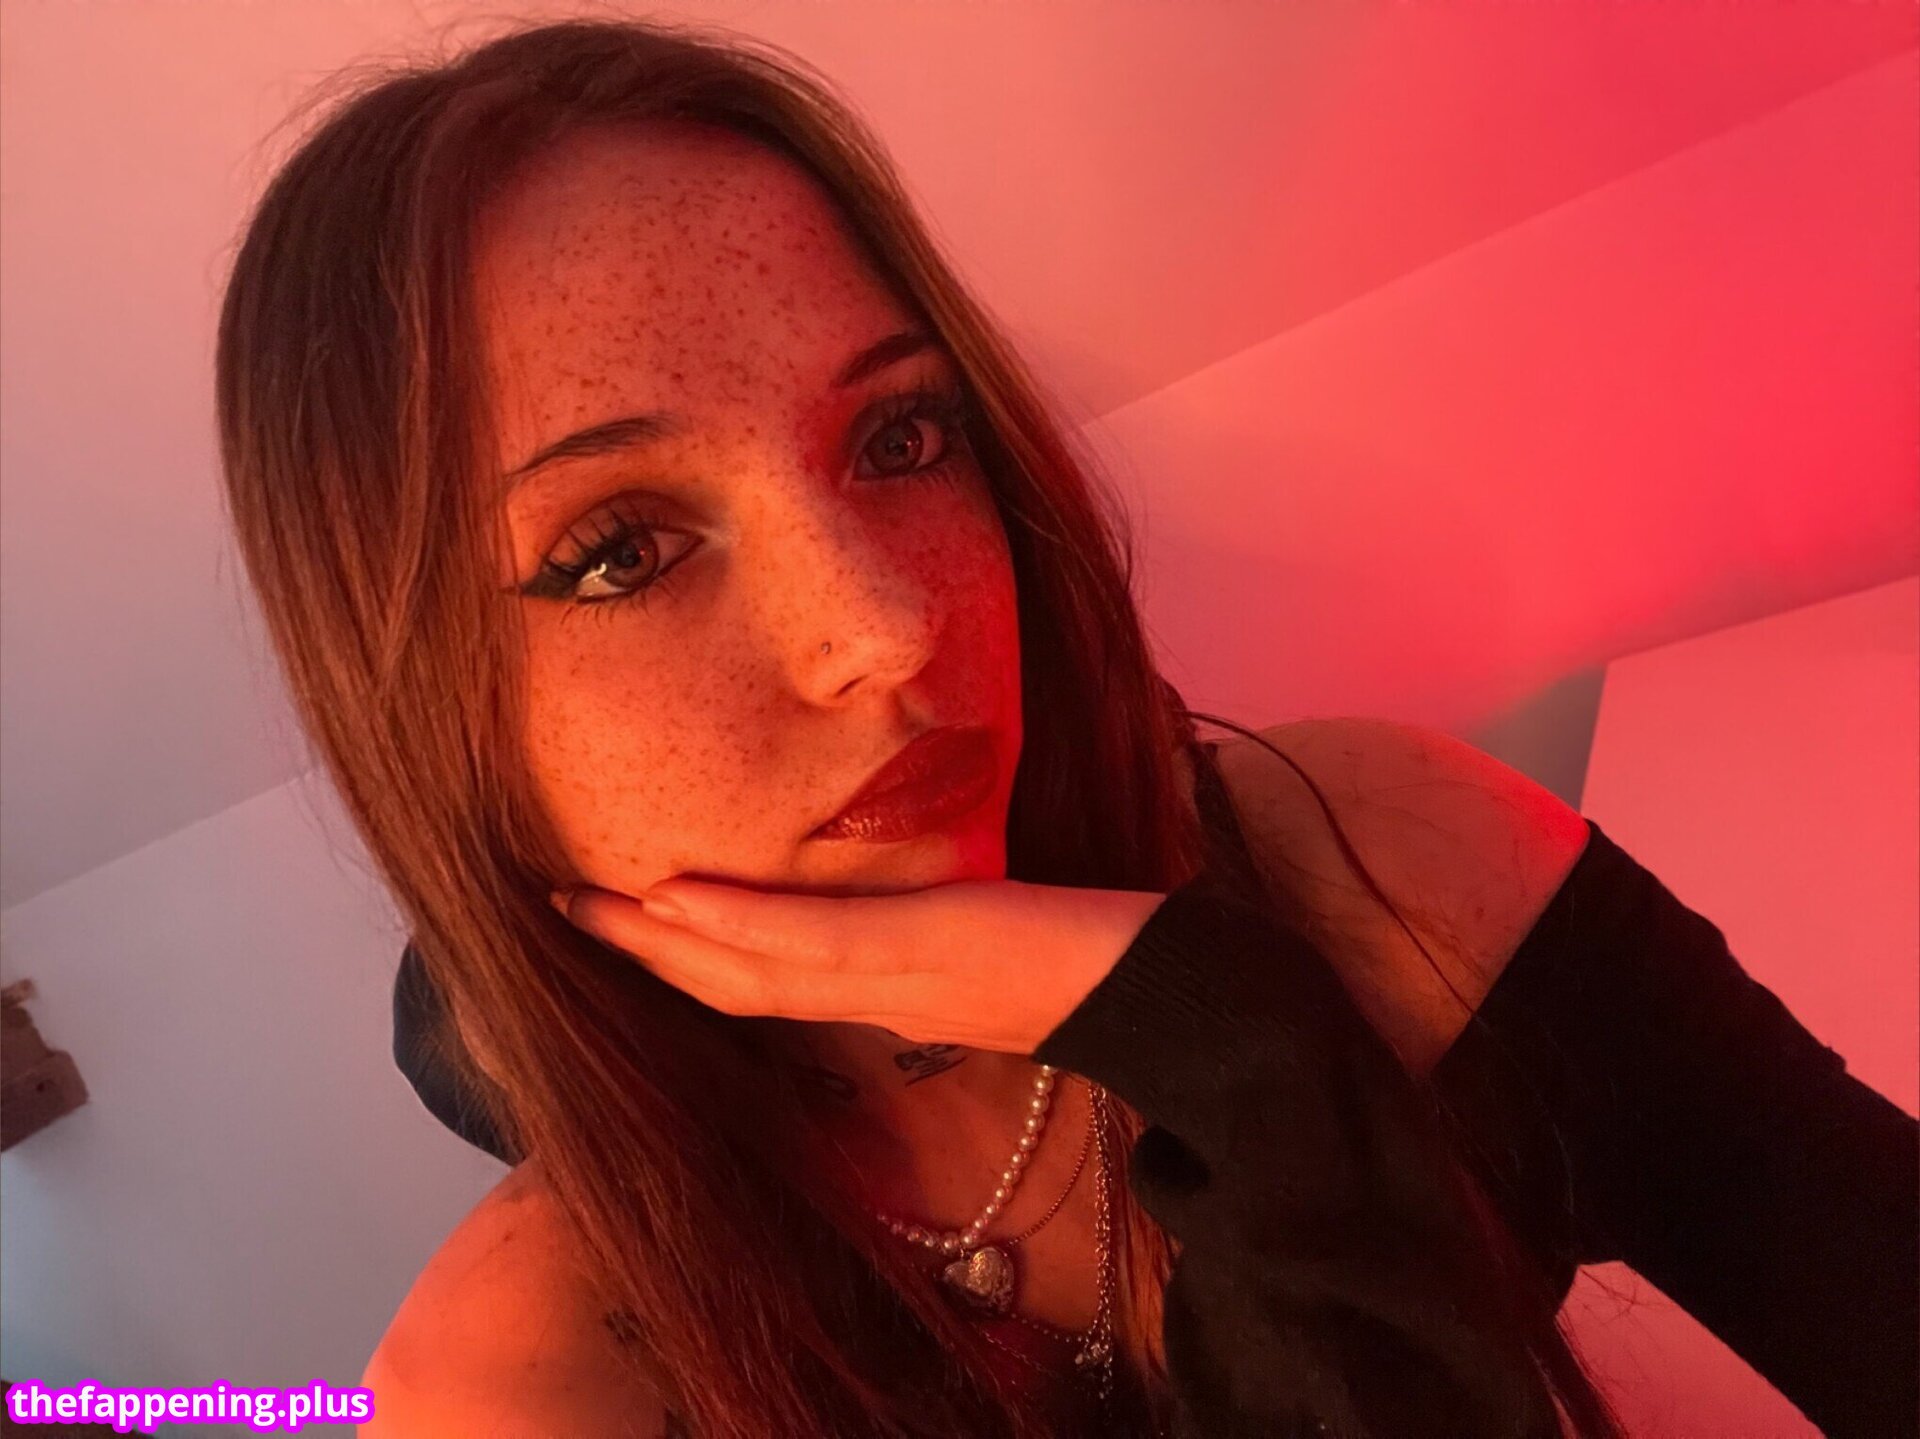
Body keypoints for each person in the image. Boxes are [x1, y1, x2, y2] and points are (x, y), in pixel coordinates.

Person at [214, 17, 1919, 1439]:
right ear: (434, 725)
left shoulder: (1386, 866)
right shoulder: (523, 1384)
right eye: (621, 550)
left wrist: (1209, 1016)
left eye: (899, 438)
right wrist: (1247, 1065)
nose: (885, 627)